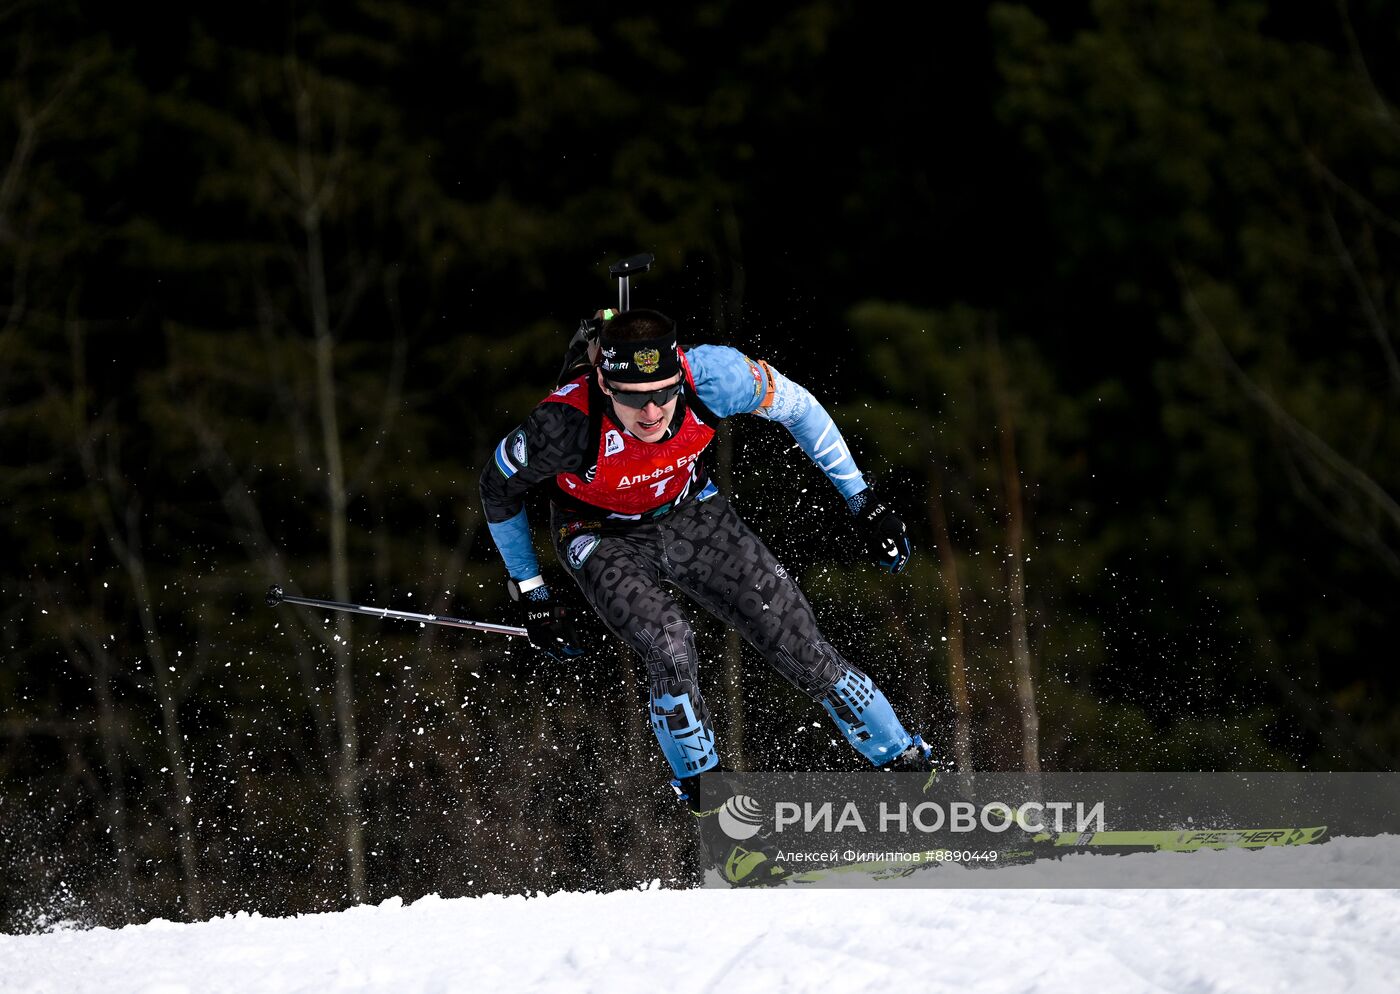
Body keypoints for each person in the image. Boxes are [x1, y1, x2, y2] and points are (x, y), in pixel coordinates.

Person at [478, 307, 936, 885]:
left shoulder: (716, 376)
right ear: (604, 385)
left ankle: (921, 786)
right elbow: (497, 488)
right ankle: (729, 839)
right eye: (633, 399)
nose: (651, 413)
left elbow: (800, 409)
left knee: (798, 642)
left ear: (679, 374)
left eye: (663, 394)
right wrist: (533, 593)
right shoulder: (562, 424)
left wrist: (863, 502)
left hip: (693, 513)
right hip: (598, 532)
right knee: (670, 646)